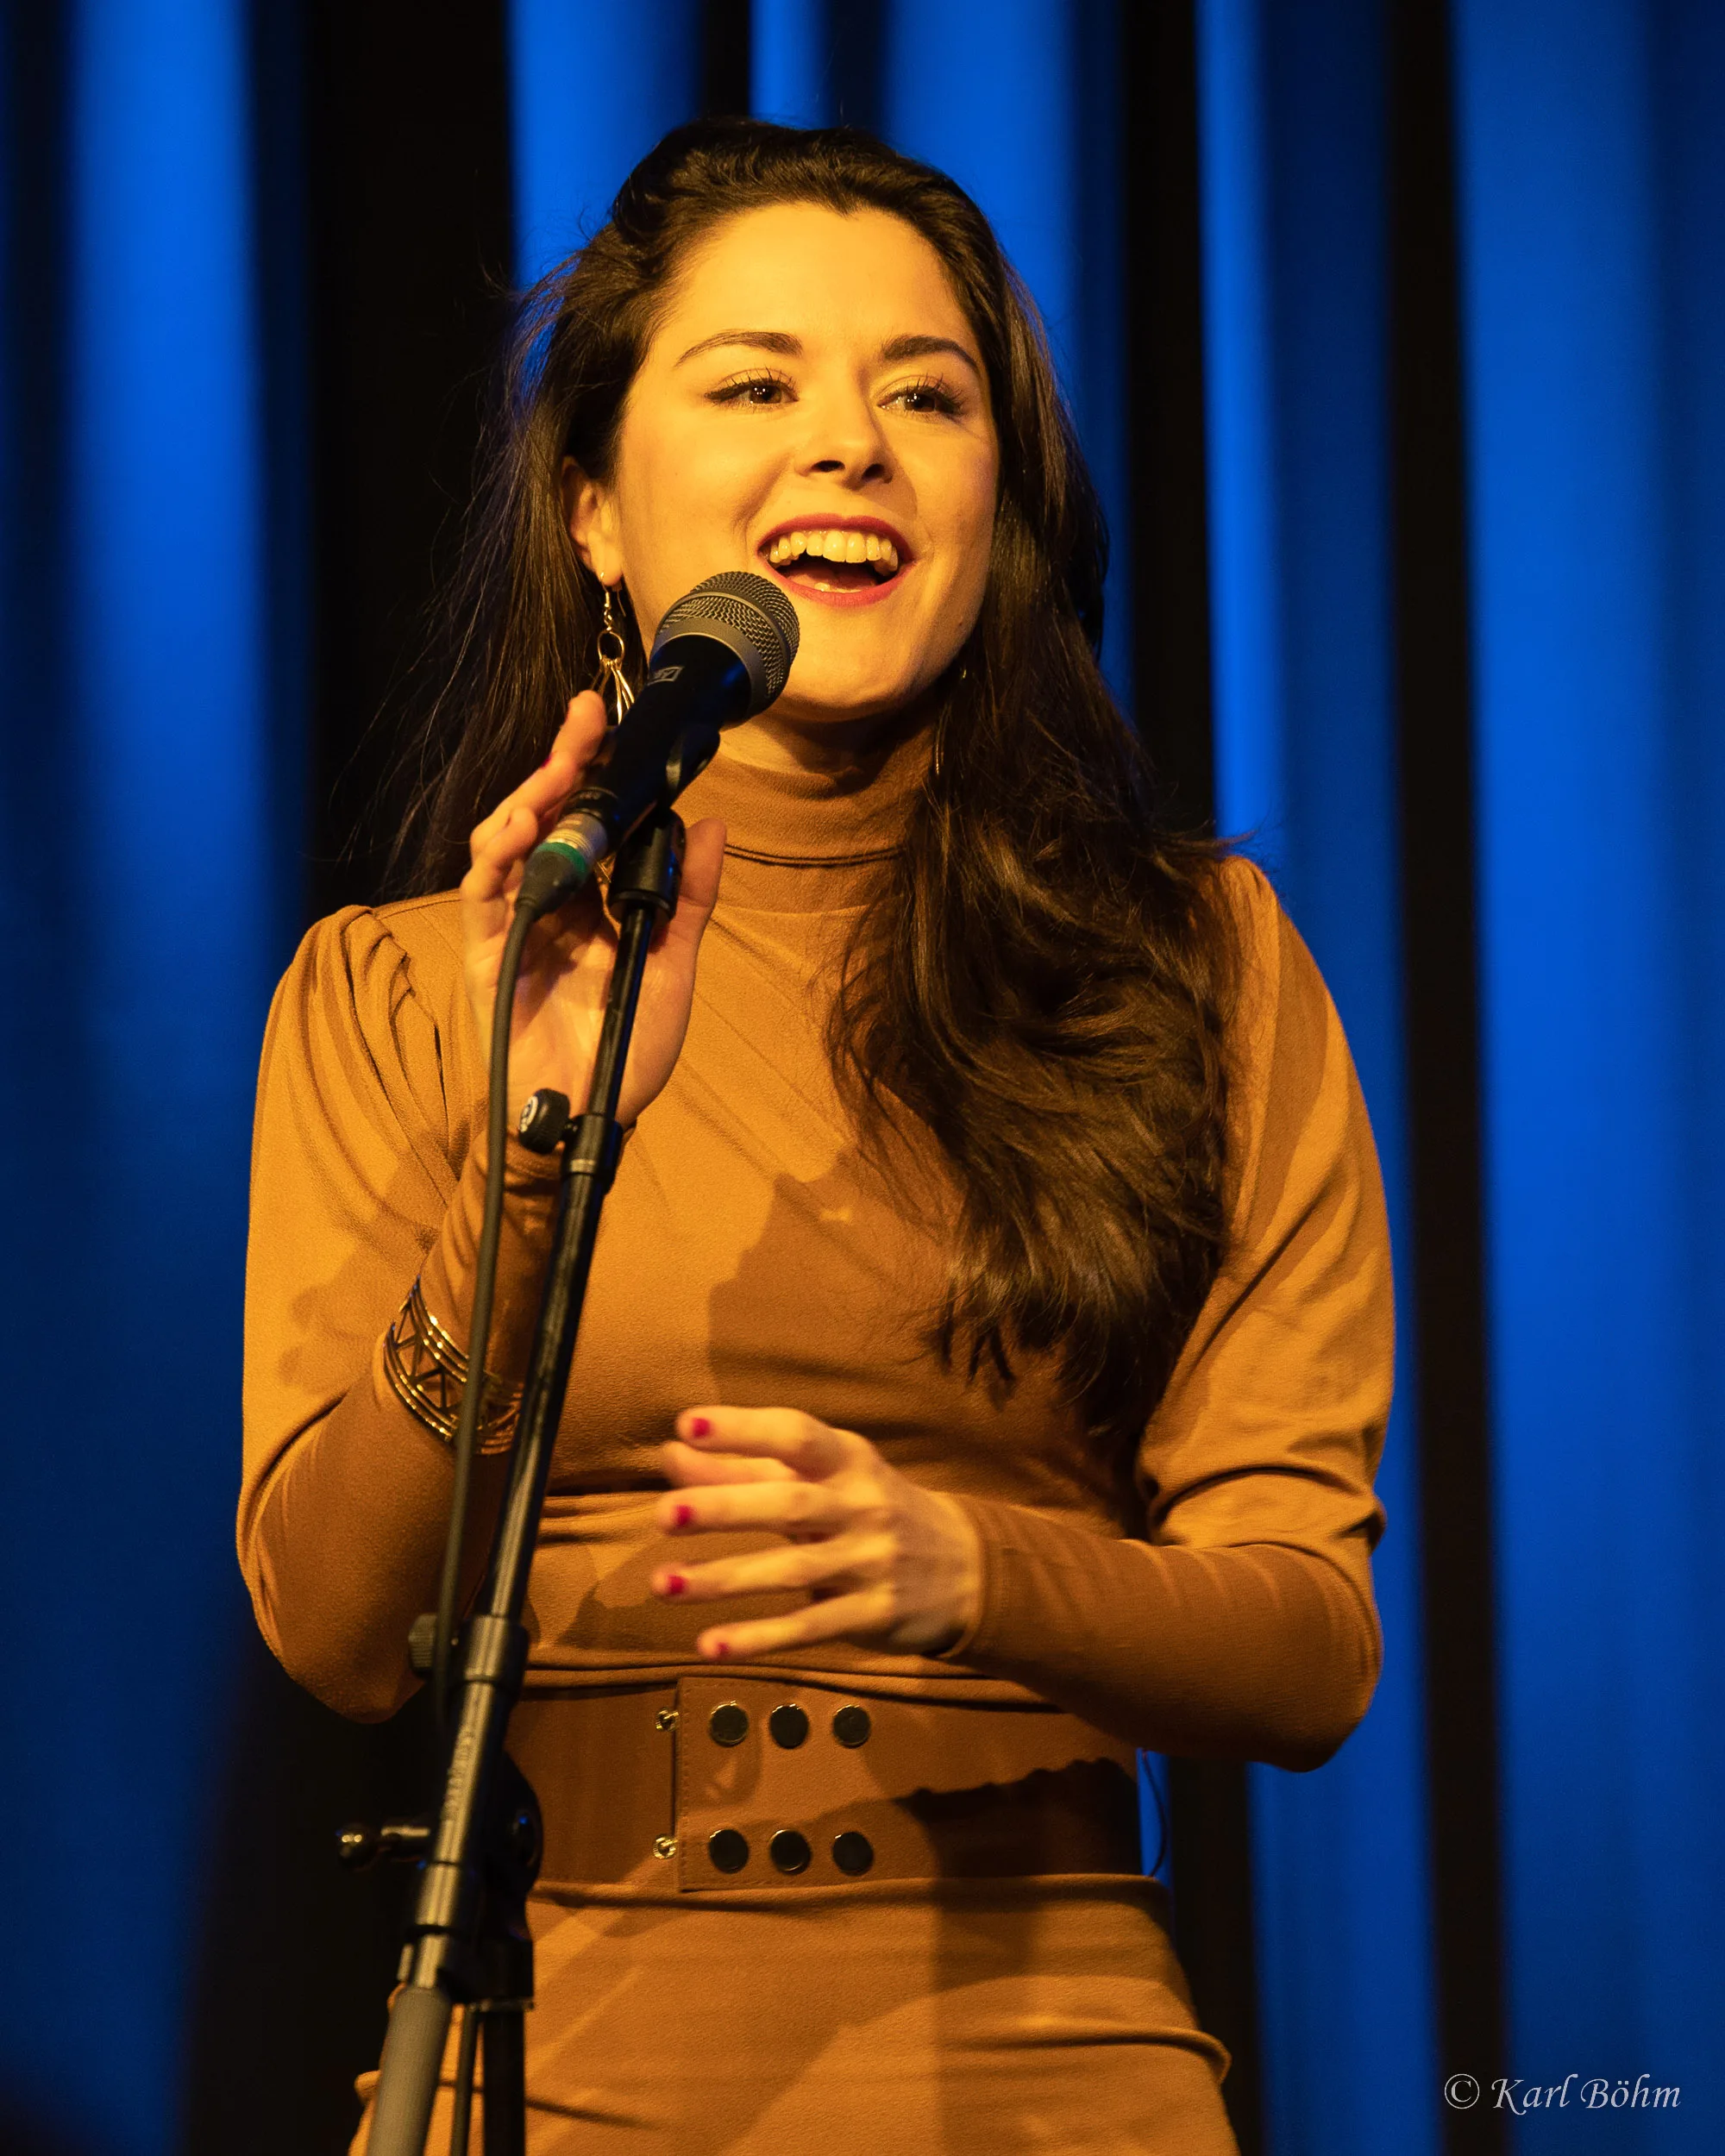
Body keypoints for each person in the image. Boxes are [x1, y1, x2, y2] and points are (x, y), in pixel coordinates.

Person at [241, 120, 1390, 2155]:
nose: (849, 445)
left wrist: (973, 1567)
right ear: (596, 508)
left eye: (923, 398)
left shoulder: (1198, 962)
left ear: (996, 500)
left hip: (1045, 2066)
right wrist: (528, 1154)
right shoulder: (405, 987)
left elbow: (1308, 1641)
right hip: (544, 2054)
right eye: (755, 384)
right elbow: (335, 1625)